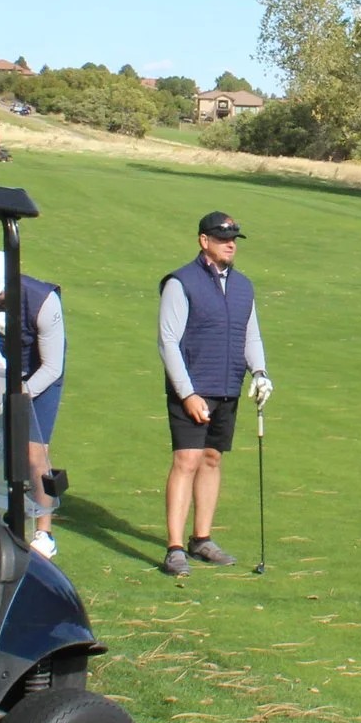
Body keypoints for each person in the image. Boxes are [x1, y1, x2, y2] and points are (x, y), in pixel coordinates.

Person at [156, 210, 271, 576]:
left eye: (234, 239)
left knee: (211, 459)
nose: (231, 245)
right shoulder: (181, 282)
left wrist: (260, 372)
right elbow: (168, 341)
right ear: (204, 241)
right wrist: (187, 393)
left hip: (227, 387)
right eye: (223, 239)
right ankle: (175, 547)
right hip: (192, 388)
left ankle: (201, 539)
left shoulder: (243, 286)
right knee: (185, 461)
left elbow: (249, 335)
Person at [0, 249, 66, 559]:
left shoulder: (43, 301)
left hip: (39, 377)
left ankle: (44, 532)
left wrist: (19, 394)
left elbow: (52, 367)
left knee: (35, 453)